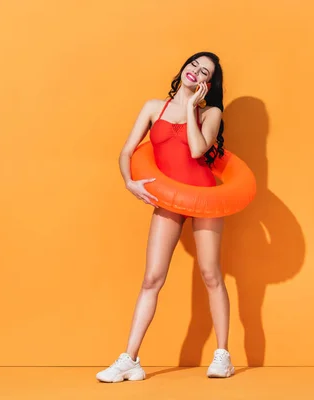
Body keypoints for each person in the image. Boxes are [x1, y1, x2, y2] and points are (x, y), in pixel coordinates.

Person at [96, 52, 234, 383]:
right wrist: (130, 182)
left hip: (203, 196)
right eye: (194, 65)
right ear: (184, 68)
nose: (196, 72)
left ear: (208, 84)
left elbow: (198, 151)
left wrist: (190, 109)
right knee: (152, 279)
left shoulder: (211, 112)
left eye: (205, 72)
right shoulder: (152, 107)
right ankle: (129, 359)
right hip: (169, 198)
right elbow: (127, 151)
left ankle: (223, 355)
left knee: (210, 274)